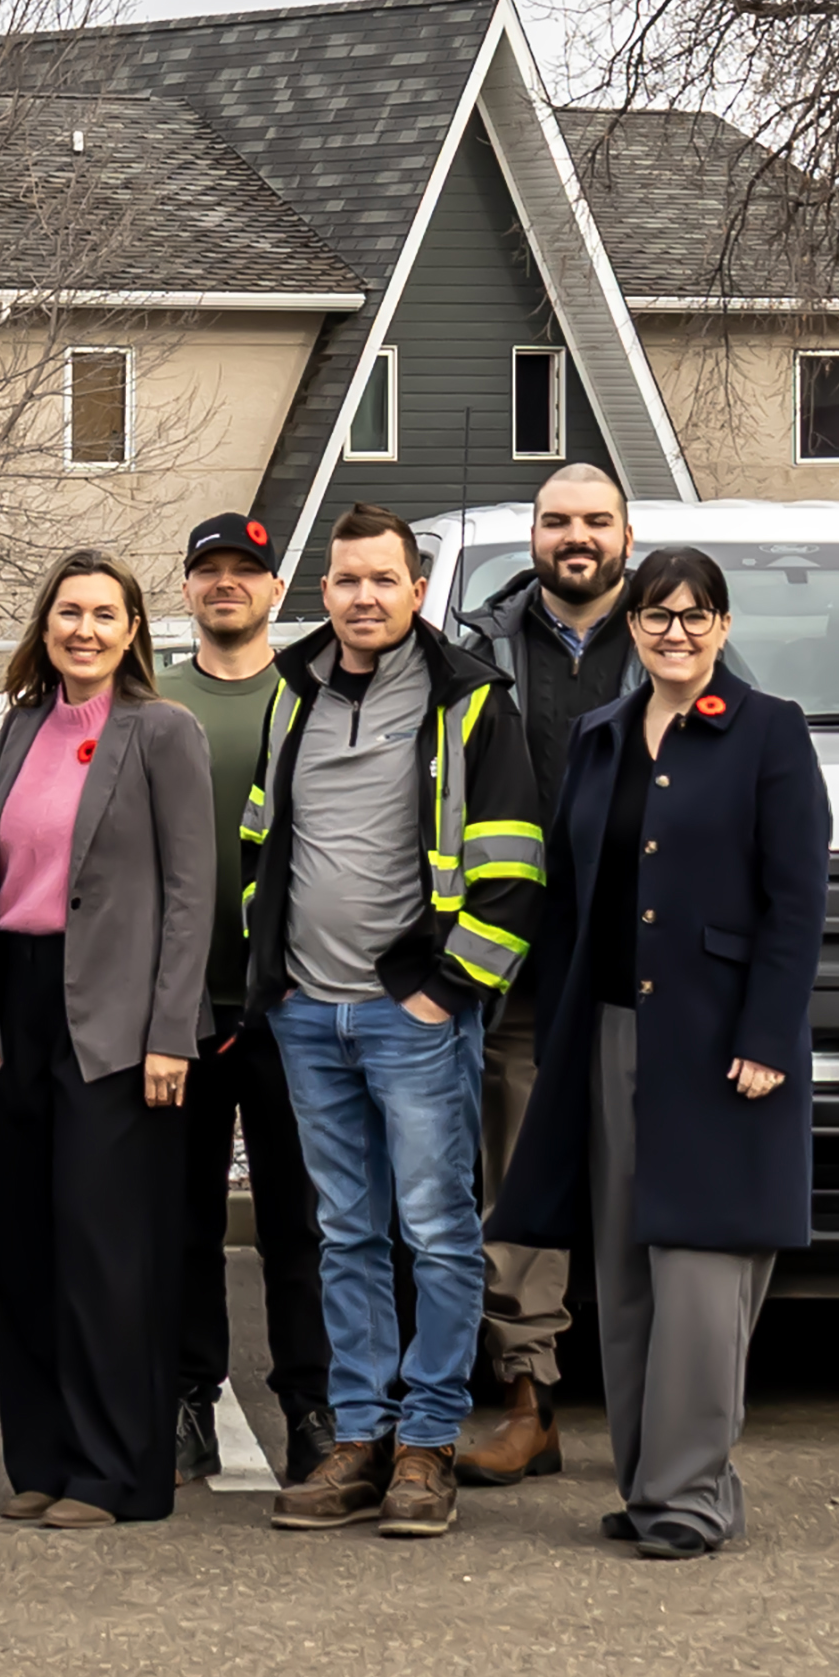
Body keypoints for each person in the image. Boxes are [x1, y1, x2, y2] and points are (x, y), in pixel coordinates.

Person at [495, 548, 826, 1559]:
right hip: (603, 1033)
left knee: (699, 1272)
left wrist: (766, 1035)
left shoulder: (768, 733)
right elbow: (572, 902)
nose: (673, 632)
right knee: (625, 1273)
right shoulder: (600, 737)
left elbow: (795, 900)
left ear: (721, 626)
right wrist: (555, 1034)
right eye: (654, 616)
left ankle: (687, 1494)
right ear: (630, 627)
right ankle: (648, 1488)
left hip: (720, 1045)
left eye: (693, 616)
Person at [239, 505, 544, 1539]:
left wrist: (445, 989)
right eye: (343, 581)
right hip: (306, 1016)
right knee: (344, 1236)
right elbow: (258, 845)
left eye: (381, 580)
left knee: (436, 1234)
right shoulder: (292, 695)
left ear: (416, 590)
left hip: (412, 1019)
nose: (361, 598)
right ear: (318, 592)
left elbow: (512, 869)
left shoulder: (467, 700)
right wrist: (272, 974)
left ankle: (425, 1445)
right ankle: (358, 1441)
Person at [0, 552, 214, 1527]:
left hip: (116, 1018)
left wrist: (170, 1034)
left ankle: (117, 1475)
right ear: (45, 623)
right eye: (68, 612)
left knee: (105, 1251)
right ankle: (44, 1461)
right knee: (23, 1246)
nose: (83, 630)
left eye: (103, 614)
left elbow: (191, 896)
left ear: (131, 628)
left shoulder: (161, 732)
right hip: (19, 1005)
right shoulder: (22, 725)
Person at [445, 461, 636, 1483]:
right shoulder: (477, 649)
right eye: (556, 520)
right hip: (515, 950)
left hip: (635, 958)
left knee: (643, 1171)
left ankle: (657, 1405)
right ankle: (530, 1400)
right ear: (531, 535)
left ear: (624, 533)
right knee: (516, 1180)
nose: (575, 537)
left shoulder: (666, 640)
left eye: (593, 521)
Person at [158, 513, 335, 1486]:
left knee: (297, 1221)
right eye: (208, 571)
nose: (226, 585)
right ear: (186, 590)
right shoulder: (152, 702)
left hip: (294, 1002)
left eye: (245, 572)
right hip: (183, 1008)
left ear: (274, 591)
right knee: (184, 1219)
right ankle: (189, 1394)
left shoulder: (311, 698)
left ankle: (309, 1405)